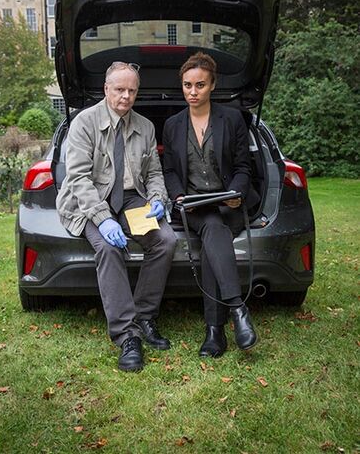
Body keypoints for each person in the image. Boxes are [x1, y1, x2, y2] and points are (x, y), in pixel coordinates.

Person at [56, 61, 176, 372]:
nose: (126, 96)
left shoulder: (145, 127)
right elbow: (78, 179)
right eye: (120, 89)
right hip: (91, 199)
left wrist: (158, 199)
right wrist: (103, 218)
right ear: (106, 89)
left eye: (132, 90)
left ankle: (145, 316)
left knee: (165, 240)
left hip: (131, 198)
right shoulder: (84, 123)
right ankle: (127, 335)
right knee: (108, 248)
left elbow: (154, 173)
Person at [162, 52, 258, 357]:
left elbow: (243, 167)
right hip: (195, 207)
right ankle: (237, 311)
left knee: (214, 235)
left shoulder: (232, 119)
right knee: (213, 229)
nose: (193, 92)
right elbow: (169, 170)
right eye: (187, 85)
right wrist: (179, 197)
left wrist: (236, 192)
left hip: (229, 205)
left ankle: (215, 331)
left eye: (200, 85)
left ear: (212, 85)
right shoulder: (173, 125)